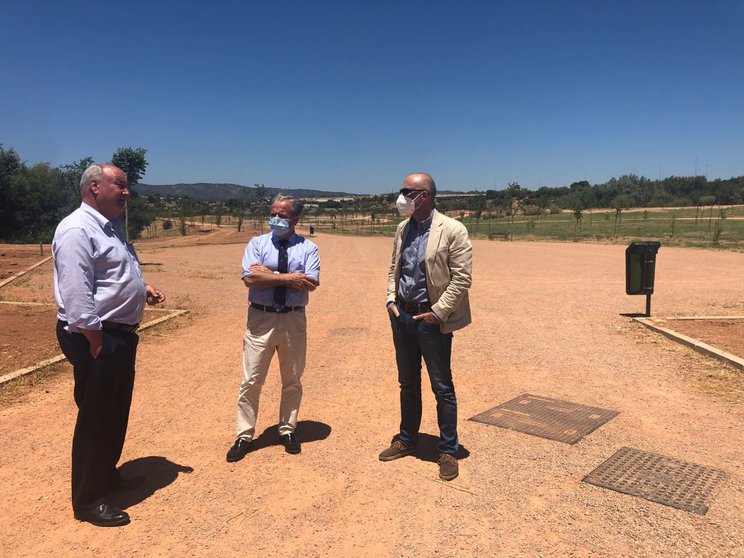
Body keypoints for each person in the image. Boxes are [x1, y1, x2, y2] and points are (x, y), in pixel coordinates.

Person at [53, 163, 166, 527]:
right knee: (96, 417)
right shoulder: (76, 230)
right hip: (96, 337)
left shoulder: (110, 227)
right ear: (94, 187)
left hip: (118, 335)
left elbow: (114, 273)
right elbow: (76, 293)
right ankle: (86, 500)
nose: (127, 192)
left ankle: (106, 475)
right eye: (120, 184)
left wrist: (141, 289)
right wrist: (96, 341)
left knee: (115, 412)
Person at [379, 172, 472, 481]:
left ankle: (447, 449)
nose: (403, 195)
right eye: (402, 189)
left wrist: (437, 312)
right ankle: (407, 439)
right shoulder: (402, 229)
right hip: (402, 317)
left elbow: (462, 278)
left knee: (441, 386)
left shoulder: (453, 229)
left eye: (410, 191)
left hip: (431, 320)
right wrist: (391, 301)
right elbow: (395, 267)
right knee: (407, 383)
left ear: (427, 196)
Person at [227, 194, 320, 462]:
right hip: (261, 319)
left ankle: (287, 429)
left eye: (282, 215)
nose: (276, 219)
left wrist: (266, 276)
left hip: (293, 319)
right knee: (251, 380)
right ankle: (244, 435)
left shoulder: (308, 248)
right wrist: (292, 277)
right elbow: (250, 278)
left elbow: (311, 283)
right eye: (273, 213)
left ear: (296, 219)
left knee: (292, 379)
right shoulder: (256, 244)